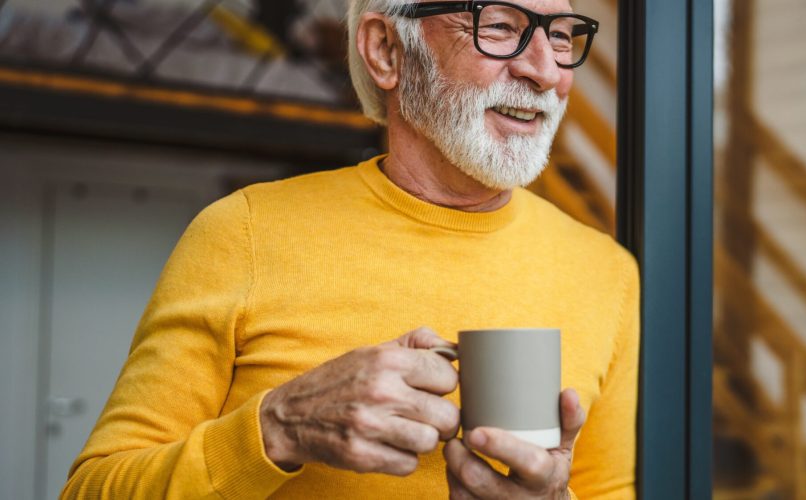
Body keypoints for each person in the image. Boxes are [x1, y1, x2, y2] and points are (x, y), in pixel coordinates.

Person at [60, 0, 639, 498]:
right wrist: (279, 428)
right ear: (387, 49)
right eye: (499, 25)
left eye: (561, 36)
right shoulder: (243, 232)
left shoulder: (606, 273)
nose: (545, 71)